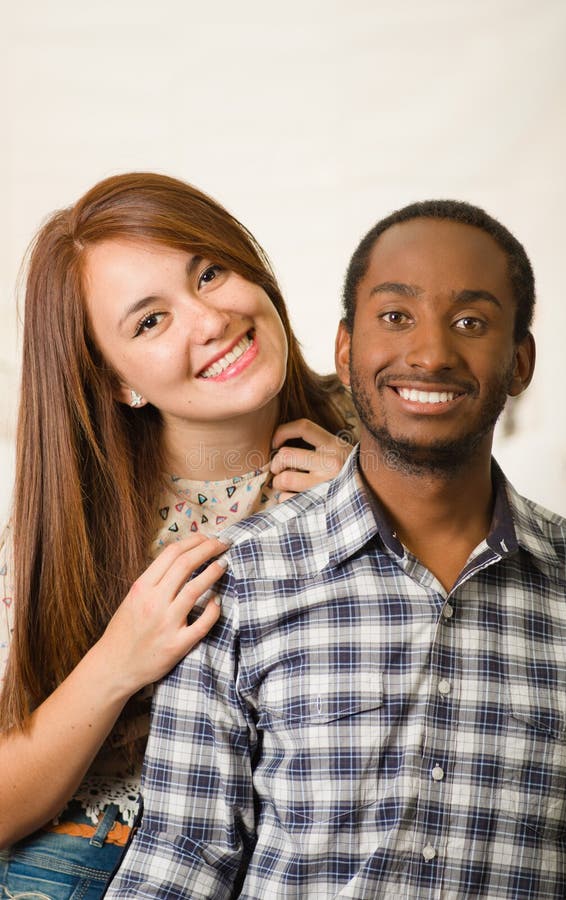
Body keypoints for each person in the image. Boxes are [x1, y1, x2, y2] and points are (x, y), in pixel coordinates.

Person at [106, 200, 566, 899]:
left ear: (520, 362)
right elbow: (181, 861)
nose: (430, 353)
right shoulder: (237, 577)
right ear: (344, 350)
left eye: (471, 322)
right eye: (396, 317)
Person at [0, 172, 356, 898]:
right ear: (118, 383)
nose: (209, 319)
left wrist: (377, 512)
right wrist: (119, 660)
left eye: (210, 272)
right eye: (150, 322)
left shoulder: (381, 437)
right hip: (95, 860)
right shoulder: (78, 519)